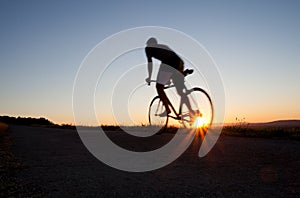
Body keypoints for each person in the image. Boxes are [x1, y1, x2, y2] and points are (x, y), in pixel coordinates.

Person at [145, 37, 193, 117]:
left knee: (159, 87)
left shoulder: (148, 49)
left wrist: (149, 77)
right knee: (180, 92)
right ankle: (192, 112)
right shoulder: (163, 46)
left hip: (168, 64)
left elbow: (150, 63)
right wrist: (169, 78)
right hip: (179, 63)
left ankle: (167, 109)